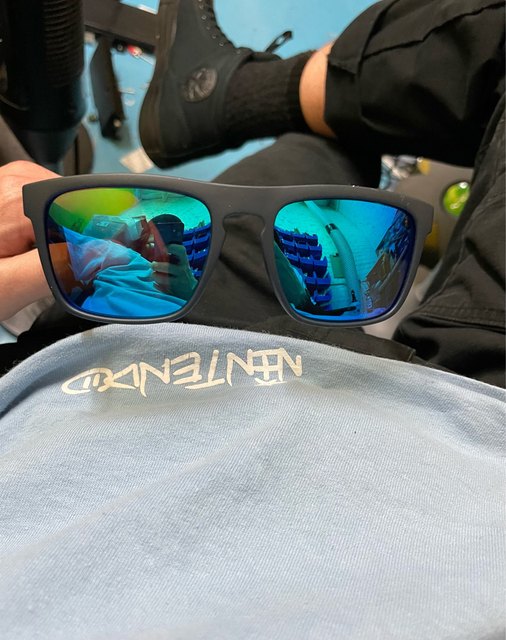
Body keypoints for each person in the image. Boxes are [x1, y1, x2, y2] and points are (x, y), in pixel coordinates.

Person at [0, 1, 504, 637]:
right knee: (334, 150)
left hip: (102, 363)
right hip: (484, 433)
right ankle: (236, 93)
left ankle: (229, 96)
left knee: (321, 156)